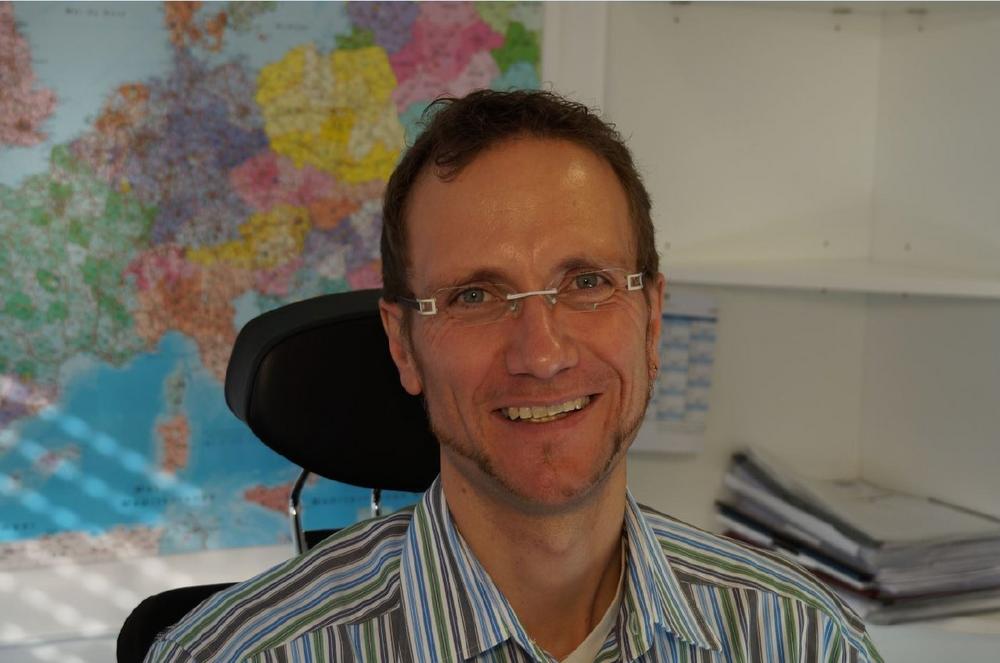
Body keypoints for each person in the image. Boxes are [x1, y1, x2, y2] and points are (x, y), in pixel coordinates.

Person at [146, 90, 882, 662]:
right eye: (475, 296)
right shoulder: (238, 654)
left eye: (587, 282)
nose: (542, 353)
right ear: (404, 347)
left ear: (652, 321)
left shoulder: (799, 636)